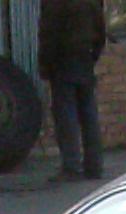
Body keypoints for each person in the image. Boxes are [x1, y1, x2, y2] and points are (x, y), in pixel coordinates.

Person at [37, 0, 107, 182]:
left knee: (66, 116)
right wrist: (93, 56)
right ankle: (94, 166)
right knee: (89, 114)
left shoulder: (56, 4)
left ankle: (71, 167)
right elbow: (101, 32)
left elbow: (48, 35)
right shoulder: (91, 3)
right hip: (85, 58)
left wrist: (45, 65)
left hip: (63, 61)